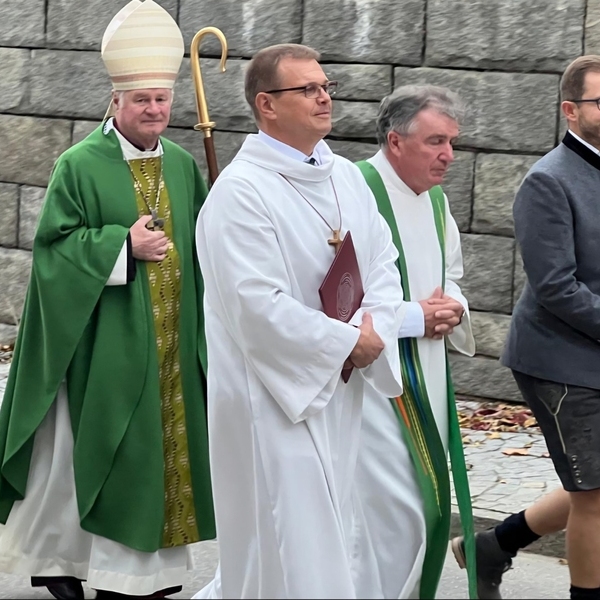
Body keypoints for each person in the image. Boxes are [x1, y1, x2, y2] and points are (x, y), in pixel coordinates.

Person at [0, 1, 215, 598]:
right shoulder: (79, 165)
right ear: (115, 101)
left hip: (172, 339)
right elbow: (53, 249)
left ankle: (145, 575)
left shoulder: (181, 164)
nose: (154, 110)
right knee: (95, 455)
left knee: (159, 454)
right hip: (101, 339)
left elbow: (204, 243)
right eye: (141, 99)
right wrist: (121, 245)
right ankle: (64, 563)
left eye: (161, 99)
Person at [192, 43, 404, 599]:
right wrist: (345, 342)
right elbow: (255, 305)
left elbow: (383, 261)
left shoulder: (346, 177)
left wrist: (372, 329)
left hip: (337, 384)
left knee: (332, 535)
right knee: (286, 542)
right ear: (266, 104)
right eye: (307, 89)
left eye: (326, 86)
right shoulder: (239, 192)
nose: (324, 97)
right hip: (273, 396)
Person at [453, 54, 600, 600]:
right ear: (570, 110)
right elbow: (557, 287)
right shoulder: (548, 181)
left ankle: (493, 547)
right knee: (594, 495)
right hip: (561, 361)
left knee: (594, 485)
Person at [354, 85, 477, 599]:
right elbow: (332, 294)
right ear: (395, 141)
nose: (449, 155)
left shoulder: (437, 201)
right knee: (393, 513)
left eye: (452, 142)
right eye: (435, 142)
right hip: (370, 383)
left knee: (420, 510)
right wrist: (411, 318)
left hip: (426, 372)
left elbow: (451, 275)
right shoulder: (355, 189)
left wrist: (454, 307)